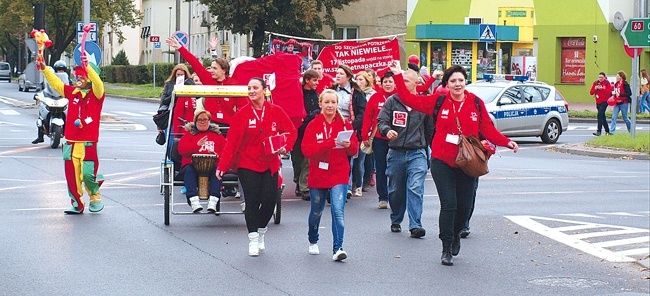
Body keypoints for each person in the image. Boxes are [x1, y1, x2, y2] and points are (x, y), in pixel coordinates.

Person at [389, 63, 518, 266]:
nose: (457, 84)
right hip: (443, 160)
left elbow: (487, 128)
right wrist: (398, 76)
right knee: (449, 204)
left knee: (464, 207)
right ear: (447, 84)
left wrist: (506, 142)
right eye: (453, 81)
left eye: (460, 80)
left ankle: (457, 233)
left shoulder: (475, 103)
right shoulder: (438, 101)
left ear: (465, 82)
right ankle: (446, 246)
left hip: (468, 162)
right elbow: (409, 99)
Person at [216, 78, 297, 257]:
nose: (251, 91)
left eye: (255, 88)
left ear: (264, 90)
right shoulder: (242, 114)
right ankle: (252, 238)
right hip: (248, 163)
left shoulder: (276, 111)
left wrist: (286, 146)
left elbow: (291, 131)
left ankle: (261, 231)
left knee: (270, 200)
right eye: (249, 88)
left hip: (270, 163)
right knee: (251, 201)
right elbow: (232, 143)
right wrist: (223, 165)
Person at [38, 56, 108, 214]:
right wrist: (44, 69)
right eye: (78, 75)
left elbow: (98, 83)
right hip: (70, 143)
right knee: (72, 177)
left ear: (89, 78)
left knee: (88, 175)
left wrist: (87, 66)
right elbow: (56, 83)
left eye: (82, 75)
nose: (79, 78)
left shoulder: (97, 95)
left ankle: (95, 196)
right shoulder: (72, 92)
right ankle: (77, 204)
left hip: (88, 143)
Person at [301, 89, 358, 261]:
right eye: (327, 102)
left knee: (338, 210)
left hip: (339, 173)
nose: (330, 106)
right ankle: (313, 239)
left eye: (333, 102)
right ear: (320, 104)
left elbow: (354, 150)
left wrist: (347, 145)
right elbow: (306, 150)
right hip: (318, 173)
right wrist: (329, 143)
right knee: (316, 211)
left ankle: (338, 248)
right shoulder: (313, 125)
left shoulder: (345, 123)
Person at [377, 70, 433, 238]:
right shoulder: (392, 101)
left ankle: (416, 225)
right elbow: (382, 121)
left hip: (417, 152)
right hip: (396, 153)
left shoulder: (422, 103)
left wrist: (427, 148)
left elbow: (430, 129)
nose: (402, 84)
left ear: (417, 83)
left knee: (415, 187)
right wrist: (387, 131)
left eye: (407, 81)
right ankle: (396, 218)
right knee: (395, 190)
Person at [167, 36, 246, 133]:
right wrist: (180, 48)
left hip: (228, 126)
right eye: (211, 68)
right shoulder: (208, 79)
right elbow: (194, 63)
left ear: (224, 70)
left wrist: (240, 125)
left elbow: (242, 108)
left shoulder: (233, 84)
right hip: (210, 125)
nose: (211, 71)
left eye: (215, 69)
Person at [177, 110, 227, 212]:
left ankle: (213, 201)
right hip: (192, 165)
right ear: (195, 121)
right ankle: (194, 201)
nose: (202, 122)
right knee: (189, 171)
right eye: (199, 120)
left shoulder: (217, 135)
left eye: (205, 119)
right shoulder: (189, 134)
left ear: (209, 121)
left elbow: (226, 151)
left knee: (217, 171)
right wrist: (197, 146)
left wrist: (217, 155)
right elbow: (182, 150)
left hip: (212, 165)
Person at [361, 70, 396, 209]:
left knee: (395, 169)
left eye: (390, 81)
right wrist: (365, 136)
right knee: (381, 167)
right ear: (381, 83)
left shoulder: (399, 96)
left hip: (397, 139)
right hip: (379, 138)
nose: (388, 84)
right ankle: (383, 197)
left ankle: (395, 195)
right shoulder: (375, 98)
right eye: (385, 81)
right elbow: (368, 117)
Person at [331, 64, 366, 198]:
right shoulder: (331, 90)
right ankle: (334, 185)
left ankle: (347, 185)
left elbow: (362, 113)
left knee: (348, 158)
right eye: (337, 73)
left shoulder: (357, 93)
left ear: (349, 77)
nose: (338, 76)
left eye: (341, 74)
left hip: (350, 128)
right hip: (333, 126)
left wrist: (352, 126)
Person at [292, 69, 321, 200]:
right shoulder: (298, 93)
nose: (317, 83)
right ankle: (298, 179)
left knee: (307, 160)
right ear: (307, 80)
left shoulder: (317, 95)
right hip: (297, 130)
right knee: (297, 159)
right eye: (315, 80)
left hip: (310, 131)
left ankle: (304, 187)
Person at [32, 60, 70, 144]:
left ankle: (70, 134)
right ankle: (40, 136)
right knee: (41, 114)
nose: (60, 72)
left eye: (62, 70)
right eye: (59, 70)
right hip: (50, 97)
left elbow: (70, 87)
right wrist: (38, 94)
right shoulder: (50, 78)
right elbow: (43, 86)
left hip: (62, 97)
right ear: (55, 70)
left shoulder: (67, 79)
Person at [355, 71, 376, 193]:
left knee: (366, 158)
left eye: (361, 80)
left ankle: (365, 180)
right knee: (356, 159)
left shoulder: (372, 94)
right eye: (357, 79)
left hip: (370, 130)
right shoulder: (355, 93)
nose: (358, 82)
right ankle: (355, 182)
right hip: (358, 128)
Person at [589, 72, 613, 136]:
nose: (600, 79)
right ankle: (607, 131)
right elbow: (591, 92)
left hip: (605, 101)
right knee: (602, 116)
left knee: (599, 115)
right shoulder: (596, 83)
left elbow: (609, 92)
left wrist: (602, 88)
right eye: (599, 77)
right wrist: (595, 88)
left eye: (602, 77)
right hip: (598, 101)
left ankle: (599, 131)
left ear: (604, 77)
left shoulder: (607, 83)